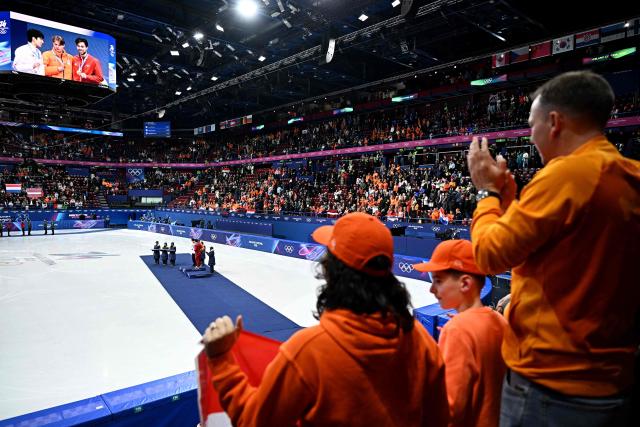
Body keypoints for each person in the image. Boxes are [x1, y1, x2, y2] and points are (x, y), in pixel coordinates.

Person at [466, 70, 640, 426]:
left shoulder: (568, 175)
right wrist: (510, 193)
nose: (530, 136)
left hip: (550, 384)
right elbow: (552, 247)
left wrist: (487, 193)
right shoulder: (627, 174)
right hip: (608, 380)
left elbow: (488, 254)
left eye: (532, 125)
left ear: (555, 122)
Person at [201, 212, 449, 426]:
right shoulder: (422, 344)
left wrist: (222, 361)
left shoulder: (308, 352)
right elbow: (438, 421)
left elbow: (254, 421)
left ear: (331, 271)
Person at [414, 240, 507, 427]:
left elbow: (450, 407)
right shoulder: (500, 321)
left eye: (438, 281)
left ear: (465, 283)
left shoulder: (457, 330)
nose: (432, 289)